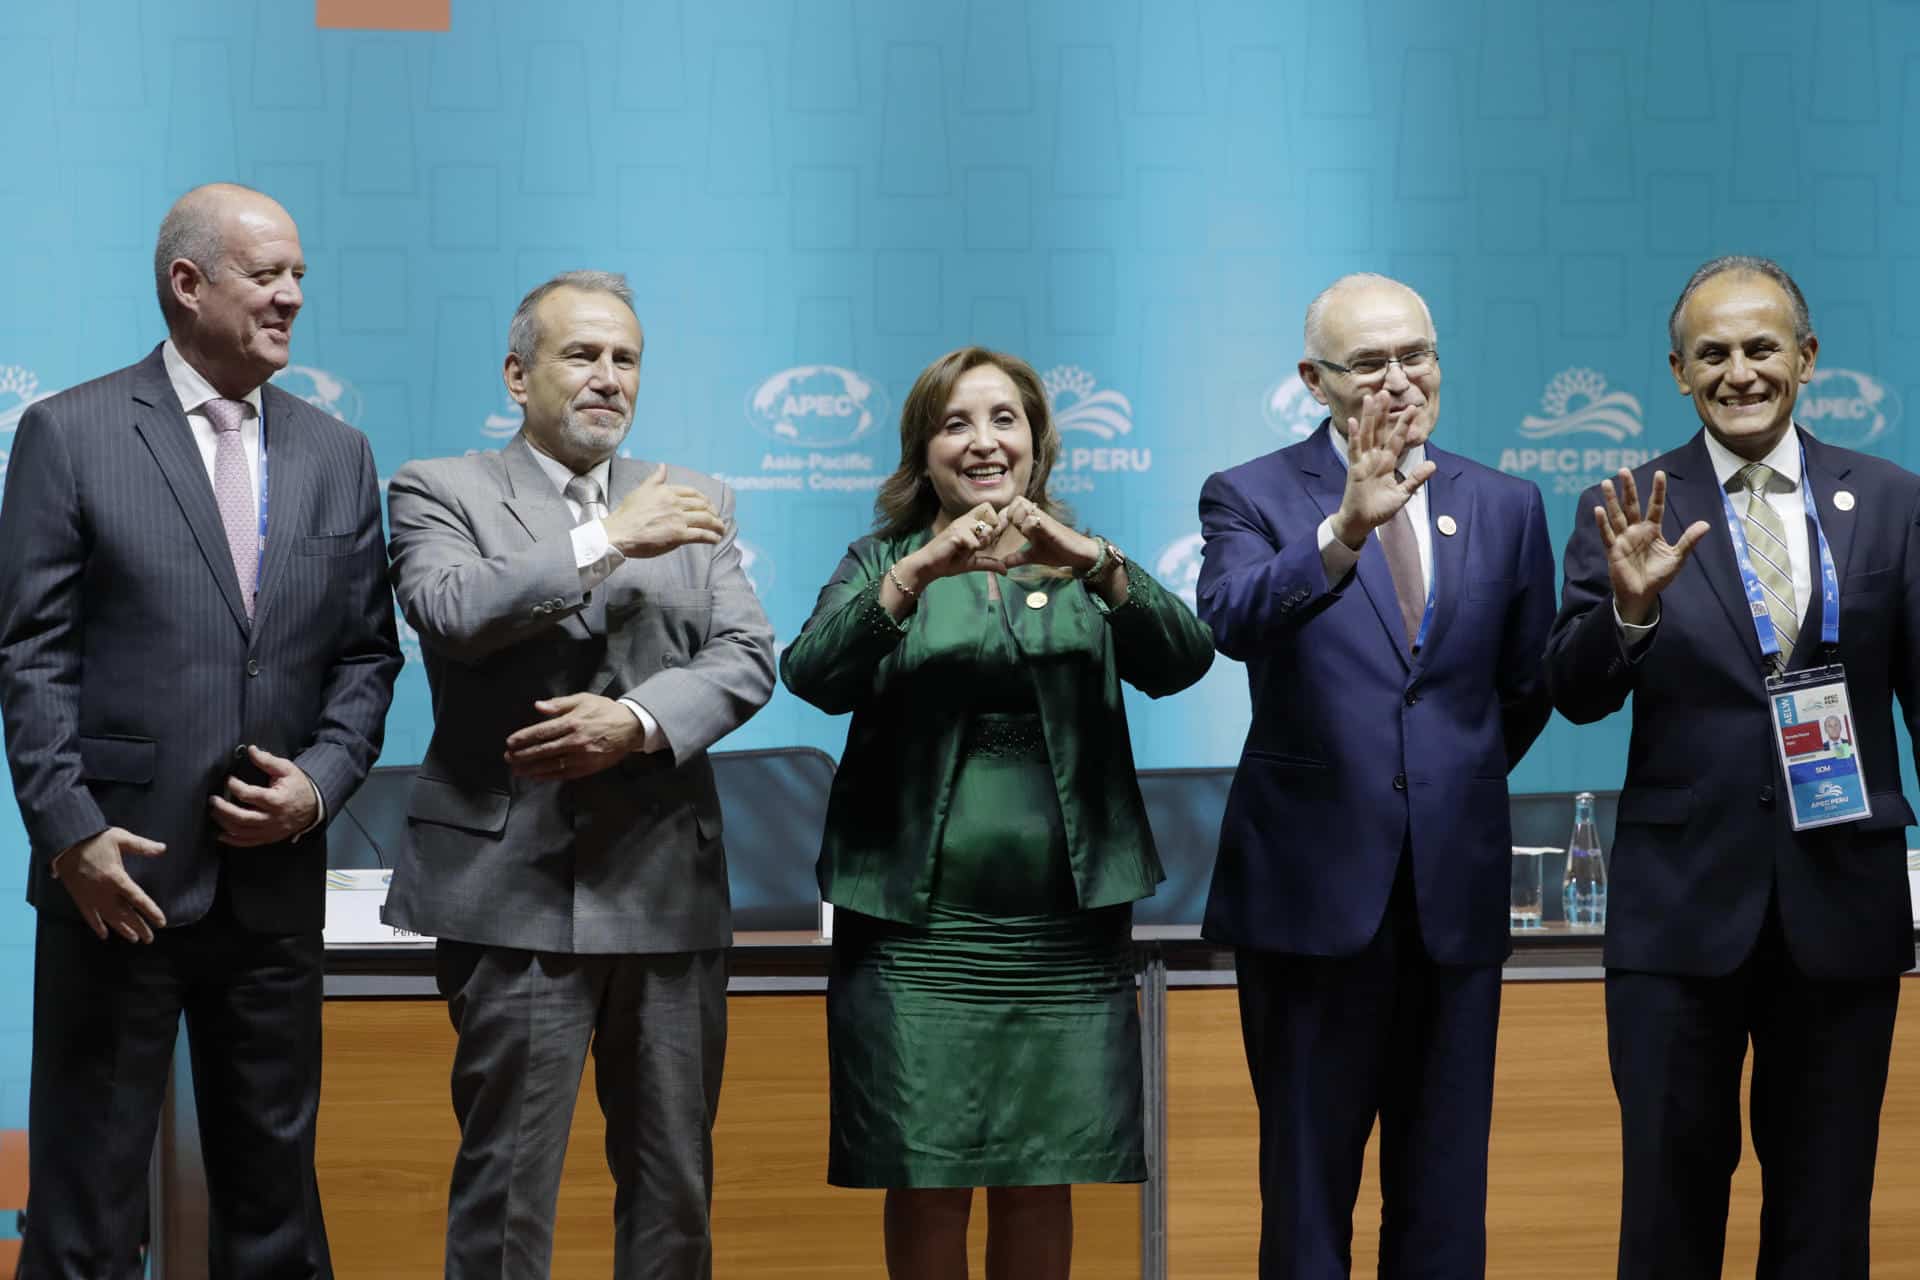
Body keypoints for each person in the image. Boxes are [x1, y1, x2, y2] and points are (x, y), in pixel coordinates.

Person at [0, 182, 402, 1276]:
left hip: (272, 889)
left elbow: (368, 658)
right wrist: (70, 833)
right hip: (114, 881)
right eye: (269, 274)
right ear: (188, 283)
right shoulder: (69, 433)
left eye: (301, 277)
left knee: (274, 1214)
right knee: (86, 1205)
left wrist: (318, 785)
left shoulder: (337, 452)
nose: (293, 298)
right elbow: (30, 656)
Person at [781, 345, 1213, 1280]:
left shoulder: (1084, 562)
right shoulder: (883, 558)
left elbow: (1185, 659)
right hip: (913, 930)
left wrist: (1096, 563)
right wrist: (919, 573)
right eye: (956, 423)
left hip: (1063, 926)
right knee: (924, 1170)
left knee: (1040, 1169)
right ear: (922, 450)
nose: (984, 442)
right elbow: (813, 674)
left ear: (1037, 442)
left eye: (1004, 419)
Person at [383, 270, 775, 1279]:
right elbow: (455, 609)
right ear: (518, 374)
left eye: (625, 358)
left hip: (665, 893)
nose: (608, 377)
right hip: (511, 895)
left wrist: (639, 720)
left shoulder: (701, 497)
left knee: (674, 1191)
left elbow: (745, 655)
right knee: (507, 1195)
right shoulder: (440, 487)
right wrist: (607, 537)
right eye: (581, 354)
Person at [1547, 256, 1919, 1279]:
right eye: (1712, 352)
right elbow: (1575, 690)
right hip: (1680, 917)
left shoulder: (1893, 502)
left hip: (1842, 903)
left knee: (1825, 1214)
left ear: (1806, 358)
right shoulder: (1627, 505)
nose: (1739, 370)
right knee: (1668, 1211)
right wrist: (1629, 607)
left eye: (1761, 347)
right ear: (1677, 370)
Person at [1196, 273, 1555, 1278]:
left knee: (1445, 1200)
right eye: (1369, 364)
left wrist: (1441, 786)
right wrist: (1345, 529)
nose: (1400, 380)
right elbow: (1231, 617)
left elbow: (1517, 693)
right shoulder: (1253, 494)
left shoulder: (1506, 502)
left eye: (1417, 355)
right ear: (1316, 380)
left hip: (1454, 897)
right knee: (1308, 1200)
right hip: (1312, 899)